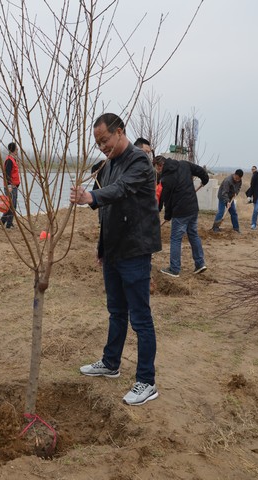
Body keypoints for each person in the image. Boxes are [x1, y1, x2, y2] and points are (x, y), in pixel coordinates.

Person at [70, 113, 161, 406]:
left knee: (141, 318)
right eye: (97, 143)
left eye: (105, 140)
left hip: (135, 249)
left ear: (119, 132)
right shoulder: (108, 165)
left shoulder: (139, 161)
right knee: (116, 311)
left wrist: (90, 197)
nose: (102, 147)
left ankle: (146, 381)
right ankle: (111, 363)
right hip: (113, 249)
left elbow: (119, 192)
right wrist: (101, 246)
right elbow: (107, 209)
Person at [155, 155, 209, 277]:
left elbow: (166, 200)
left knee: (175, 238)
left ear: (160, 165)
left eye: (157, 169)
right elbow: (200, 171)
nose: (157, 171)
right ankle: (200, 264)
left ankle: (174, 269)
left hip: (180, 212)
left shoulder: (166, 179)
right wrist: (205, 179)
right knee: (193, 235)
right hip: (193, 208)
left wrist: (167, 216)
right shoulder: (184, 164)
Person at [0, 142, 20, 229]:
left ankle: (6, 222)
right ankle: (6, 223)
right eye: (17, 149)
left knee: (12, 205)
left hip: (14, 186)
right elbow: (7, 174)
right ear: (14, 150)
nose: (18, 150)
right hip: (11, 187)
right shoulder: (9, 160)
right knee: (11, 205)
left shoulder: (12, 159)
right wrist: (9, 186)